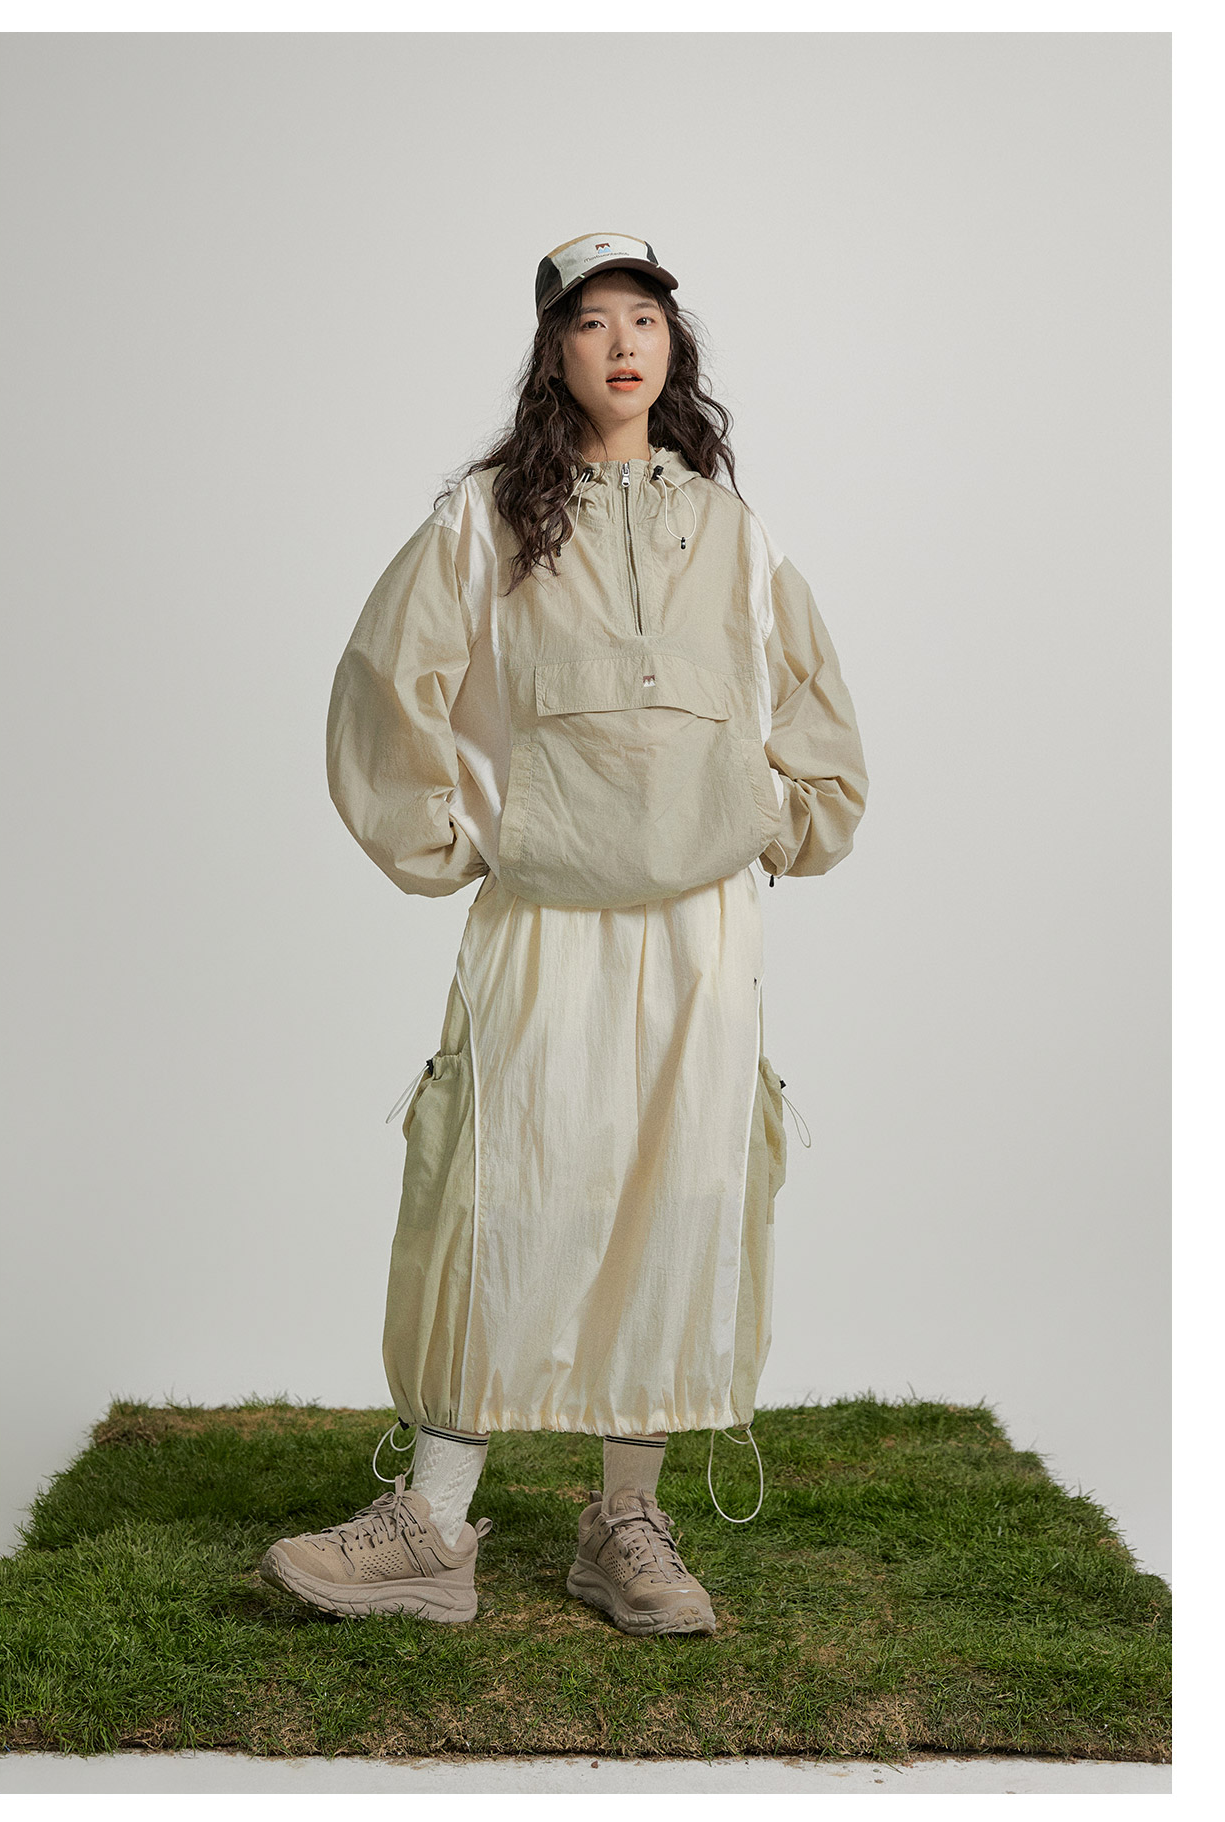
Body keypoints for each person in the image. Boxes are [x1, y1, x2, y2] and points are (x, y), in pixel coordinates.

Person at [261, 231, 868, 1636]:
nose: (622, 342)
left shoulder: (734, 532)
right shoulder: (485, 518)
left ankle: (625, 1522)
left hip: (699, 926)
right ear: (554, 354)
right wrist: (470, 830)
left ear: (675, 344)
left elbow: (813, 711)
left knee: (679, 1189)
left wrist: (763, 811)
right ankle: (433, 1523)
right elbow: (384, 684)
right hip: (542, 915)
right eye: (591, 321)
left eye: (643, 316)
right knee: (499, 1183)